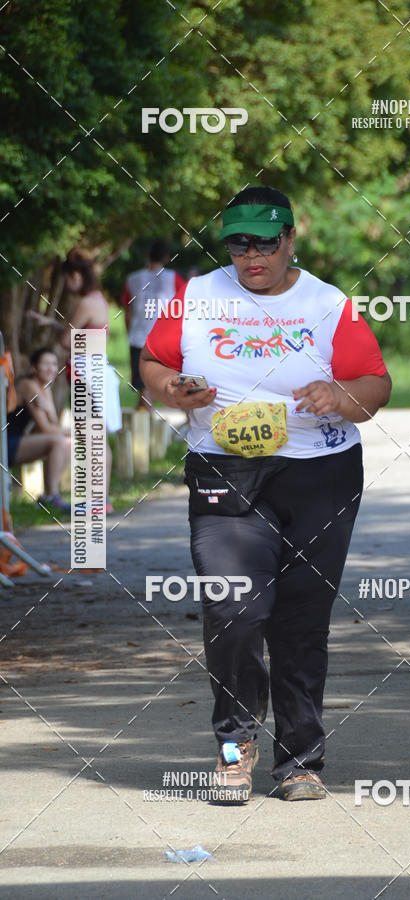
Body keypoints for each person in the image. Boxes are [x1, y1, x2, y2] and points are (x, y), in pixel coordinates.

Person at [140, 185, 391, 802]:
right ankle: (234, 751)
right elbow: (152, 365)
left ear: (291, 239)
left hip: (319, 474)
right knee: (233, 608)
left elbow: (375, 385)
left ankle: (300, 762)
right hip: (224, 471)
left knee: (301, 620)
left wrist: (339, 396)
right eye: (238, 245)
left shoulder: (328, 304)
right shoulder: (196, 296)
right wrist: (174, 389)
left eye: (265, 244)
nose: (252, 257)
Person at [28, 249, 122, 512]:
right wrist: (51, 323)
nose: (67, 285)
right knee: (97, 439)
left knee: (91, 439)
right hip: (96, 372)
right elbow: (82, 335)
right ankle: (101, 500)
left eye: (67, 279)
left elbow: (67, 340)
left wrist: (58, 330)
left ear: (76, 276)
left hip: (86, 375)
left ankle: (97, 501)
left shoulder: (85, 303)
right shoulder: (98, 300)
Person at [120, 239, 186, 410]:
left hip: (138, 338)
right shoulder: (173, 278)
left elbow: (128, 312)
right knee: (161, 384)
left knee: (144, 386)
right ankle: (150, 419)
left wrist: (130, 332)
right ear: (166, 258)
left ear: (147, 255)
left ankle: (144, 419)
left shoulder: (132, 279)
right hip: (165, 341)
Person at [7, 347, 71, 513]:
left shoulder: (45, 387)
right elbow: (46, 429)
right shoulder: (28, 386)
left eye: (54, 364)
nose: (51, 368)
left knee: (68, 442)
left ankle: (47, 496)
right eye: (45, 364)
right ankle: (52, 496)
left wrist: (49, 410)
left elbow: (53, 425)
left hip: (16, 441)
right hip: (5, 443)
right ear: (33, 368)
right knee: (59, 442)